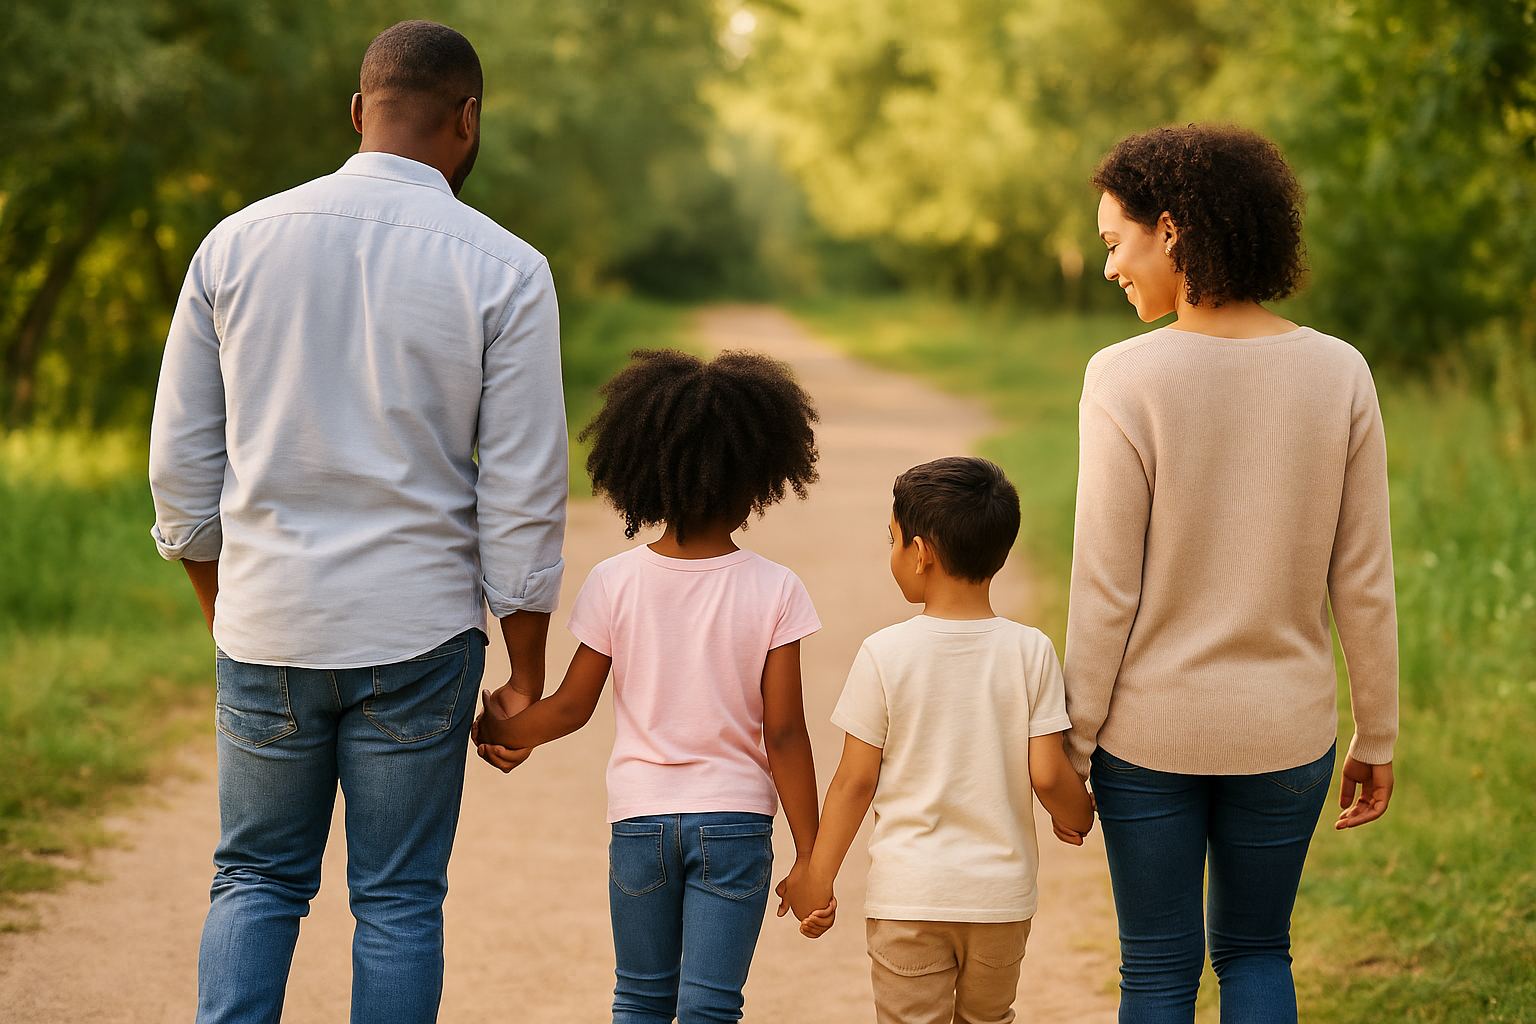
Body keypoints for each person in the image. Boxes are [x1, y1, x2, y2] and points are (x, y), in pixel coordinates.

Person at [147, 21, 568, 1024]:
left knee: (254, 878)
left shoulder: (235, 244)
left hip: (268, 623)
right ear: (467, 121)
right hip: (417, 636)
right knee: (398, 900)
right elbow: (521, 491)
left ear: (357, 112)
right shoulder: (507, 269)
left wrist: (221, 599)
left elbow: (180, 467)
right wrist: (527, 673)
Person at [1067, 123, 1399, 1024]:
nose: (1109, 268)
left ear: (1168, 230)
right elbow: (1362, 574)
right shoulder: (1339, 371)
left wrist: (1073, 739)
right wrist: (1378, 729)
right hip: (1285, 733)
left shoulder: (1124, 377)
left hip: (1149, 737)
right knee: (1257, 953)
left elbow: (1105, 585)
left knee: (1159, 971)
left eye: (1114, 243)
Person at [472, 348, 824, 1023]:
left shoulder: (615, 580)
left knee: (638, 998)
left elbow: (572, 707)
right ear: (759, 477)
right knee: (711, 1007)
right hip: (735, 827)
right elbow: (783, 734)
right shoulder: (776, 588)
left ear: (644, 472)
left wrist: (498, 729)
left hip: (640, 824)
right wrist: (810, 856)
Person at [786, 456, 1095, 1024]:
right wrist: (1078, 813)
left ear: (921, 552)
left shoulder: (885, 653)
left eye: (893, 540)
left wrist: (816, 878)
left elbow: (855, 780)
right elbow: (1049, 774)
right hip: (1000, 902)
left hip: (910, 897)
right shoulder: (1031, 651)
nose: (893, 555)